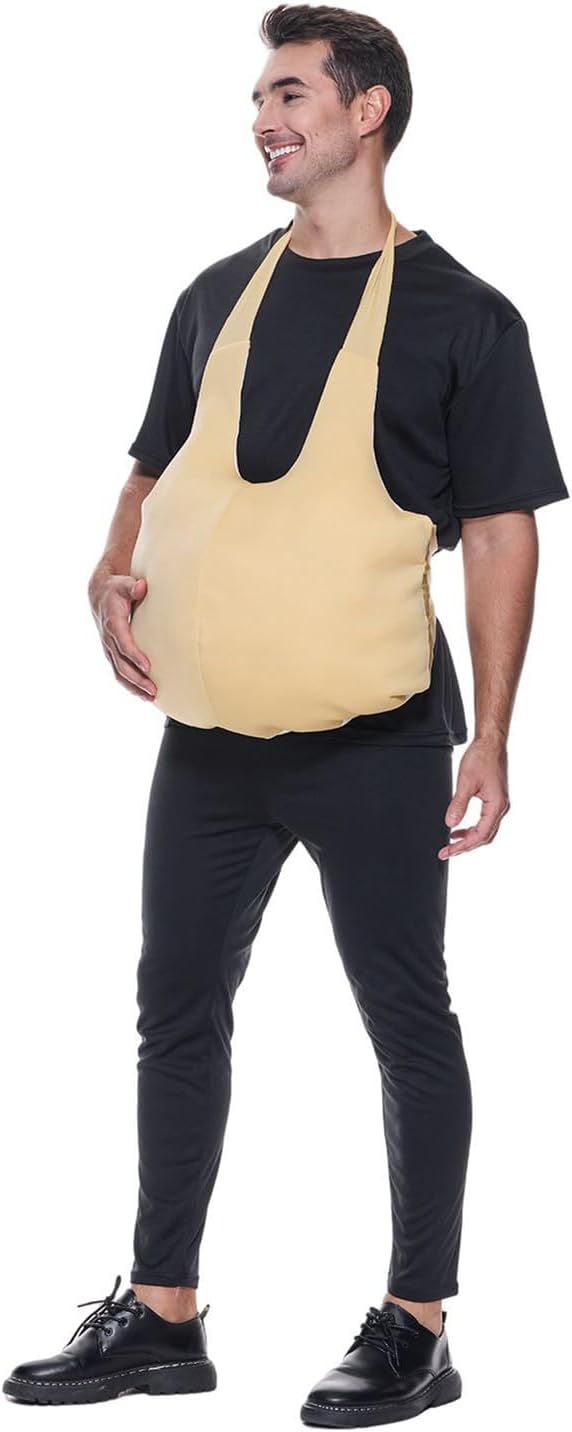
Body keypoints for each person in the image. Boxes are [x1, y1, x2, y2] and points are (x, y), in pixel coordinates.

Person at [4, 4, 568, 1422]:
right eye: (259, 98)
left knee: (406, 1018)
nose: (264, 118)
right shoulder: (215, 295)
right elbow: (151, 468)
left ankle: (417, 1327)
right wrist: (108, 571)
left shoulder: (464, 315)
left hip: (378, 740)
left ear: (368, 112)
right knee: (175, 1009)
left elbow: (503, 534)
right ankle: (162, 1315)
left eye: (291, 94)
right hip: (207, 747)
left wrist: (494, 736)